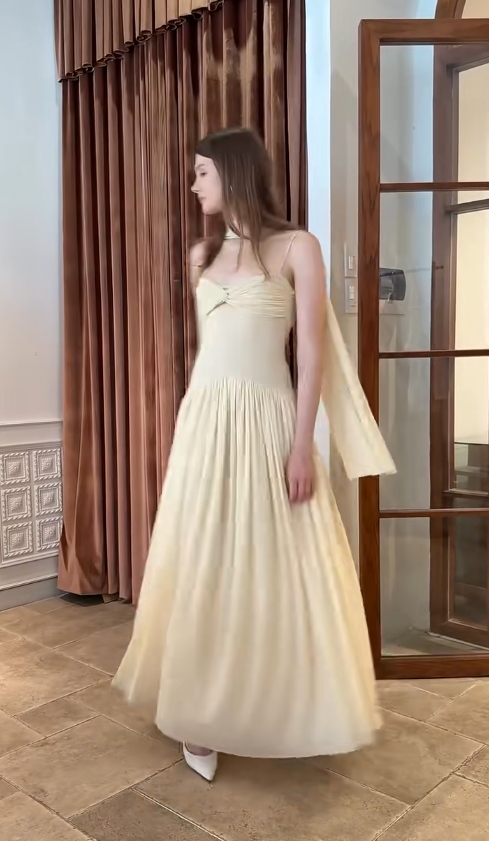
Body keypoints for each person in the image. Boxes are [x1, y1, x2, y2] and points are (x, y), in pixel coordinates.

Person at [113, 127, 395, 782]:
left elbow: (312, 357)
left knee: (274, 562)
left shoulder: (299, 247)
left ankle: (282, 701)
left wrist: (301, 445)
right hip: (205, 423)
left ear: (234, 171)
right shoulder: (199, 256)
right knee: (203, 559)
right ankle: (198, 713)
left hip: (269, 421)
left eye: (202, 172)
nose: (193, 185)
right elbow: (211, 353)